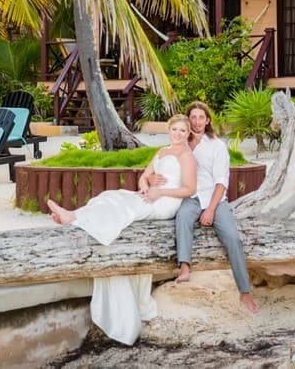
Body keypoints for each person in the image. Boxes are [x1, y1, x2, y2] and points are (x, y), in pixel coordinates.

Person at [47, 114, 197, 343]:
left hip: (167, 202)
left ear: (188, 134)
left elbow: (189, 189)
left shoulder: (186, 155)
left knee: (118, 203)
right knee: (109, 196)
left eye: (183, 131)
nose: (178, 134)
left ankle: (72, 217)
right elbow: (142, 178)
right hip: (151, 196)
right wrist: (148, 185)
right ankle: (74, 217)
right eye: (175, 130)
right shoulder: (162, 151)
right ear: (169, 130)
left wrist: (161, 192)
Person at [172, 100, 259, 314]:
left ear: (208, 120)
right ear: (188, 119)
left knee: (232, 238)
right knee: (182, 217)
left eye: (201, 117)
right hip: (191, 196)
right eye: (193, 117)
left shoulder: (217, 146)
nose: (197, 121)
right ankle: (184, 267)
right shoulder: (180, 143)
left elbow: (222, 181)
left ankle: (245, 293)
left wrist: (210, 209)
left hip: (215, 198)